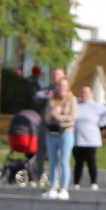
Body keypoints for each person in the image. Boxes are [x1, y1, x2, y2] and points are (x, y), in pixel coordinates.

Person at [41, 70, 77, 200]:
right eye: (60, 85)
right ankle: (53, 187)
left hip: (66, 133)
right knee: (53, 161)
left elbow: (72, 118)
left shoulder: (72, 99)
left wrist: (57, 116)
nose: (62, 88)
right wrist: (53, 113)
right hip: (52, 133)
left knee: (64, 161)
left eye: (64, 86)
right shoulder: (52, 99)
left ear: (68, 87)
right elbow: (46, 117)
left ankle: (64, 188)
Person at [71, 83, 106, 190]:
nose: (84, 94)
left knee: (91, 161)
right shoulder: (75, 104)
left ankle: (93, 183)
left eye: (86, 92)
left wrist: (100, 123)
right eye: (82, 92)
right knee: (78, 162)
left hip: (91, 140)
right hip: (77, 139)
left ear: (90, 94)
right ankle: (76, 183)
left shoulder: (95, 106)